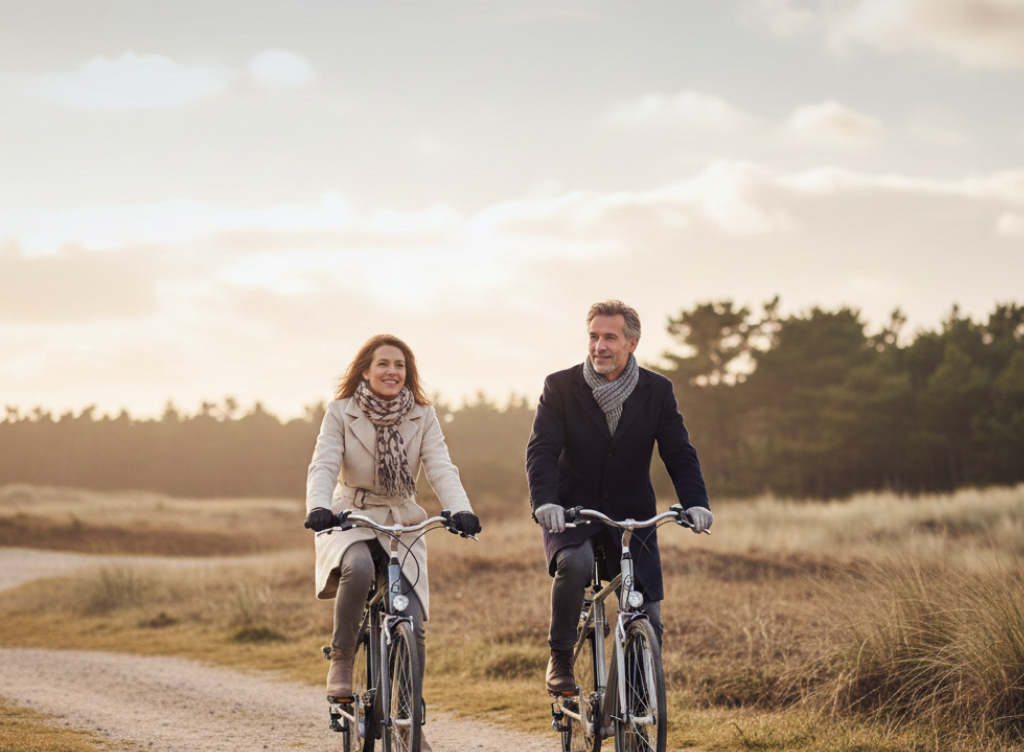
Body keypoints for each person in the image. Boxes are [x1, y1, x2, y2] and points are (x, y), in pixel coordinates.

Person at [526, 300, 712, 695]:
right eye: (593, 336)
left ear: (632, 343)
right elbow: (541, 451)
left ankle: (638, 710)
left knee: (649, 614)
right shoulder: (560, 386)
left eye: (610, 337)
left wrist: (696, 502)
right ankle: (560, 657)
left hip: (632, 516)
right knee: (574, 566)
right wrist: (545, 502)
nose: (599, 346)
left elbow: (678, 451)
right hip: (572, 513)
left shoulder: (657, 390)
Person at [304, 334, 481, 750]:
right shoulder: (340, 413)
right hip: (351, 514)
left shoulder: (422, 415)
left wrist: (461, 509)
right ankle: (343, 659)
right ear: (366, 370)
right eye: (383, 364)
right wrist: (318, 505)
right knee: (360, 568)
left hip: (402, 520)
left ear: (408, 373)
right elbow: (325, 462)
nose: (392, 372)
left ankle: (408, 720)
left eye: (400, 365)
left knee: (413, 622)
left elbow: (439, 464)